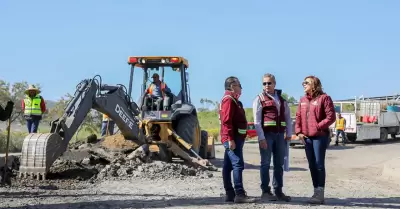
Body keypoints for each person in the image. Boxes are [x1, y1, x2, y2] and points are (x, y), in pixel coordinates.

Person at [295, 75, 336, 204]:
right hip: (306, 138)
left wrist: (318, 126)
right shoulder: (302, 100)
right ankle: (315, 191)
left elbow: (331, 117)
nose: (304, 84)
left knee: (319, 164)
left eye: (306, 82)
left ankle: (320, 193)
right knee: (312, 165)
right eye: (303, 82)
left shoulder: (324, 98)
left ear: (314, 85)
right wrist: (299, 132)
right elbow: (298, 117)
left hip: (320, 137)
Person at [252, 73, 292, 202]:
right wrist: (261, 138)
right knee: (265, 163)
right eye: (264, 83)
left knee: (279, 163)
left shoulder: (281, 99)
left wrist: (289, 134)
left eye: (269, 83)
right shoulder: (259, 99)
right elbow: (257, 121)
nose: (266, 86)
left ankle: (278, 190)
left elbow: (288, 117)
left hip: (280, 135)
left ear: (274, 84)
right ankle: (265, 191)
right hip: (267, 136)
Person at [219, 76, 256, 203]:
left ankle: (230, 194)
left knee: (228, 165)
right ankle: (239, 194)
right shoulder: (228, 100)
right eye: (239, 85)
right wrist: (230, 139)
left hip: (235, 138)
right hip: (232, 138)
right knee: (237, 164)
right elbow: (226, 121)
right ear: (232, 86)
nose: (241, 88)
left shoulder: (233, 100)